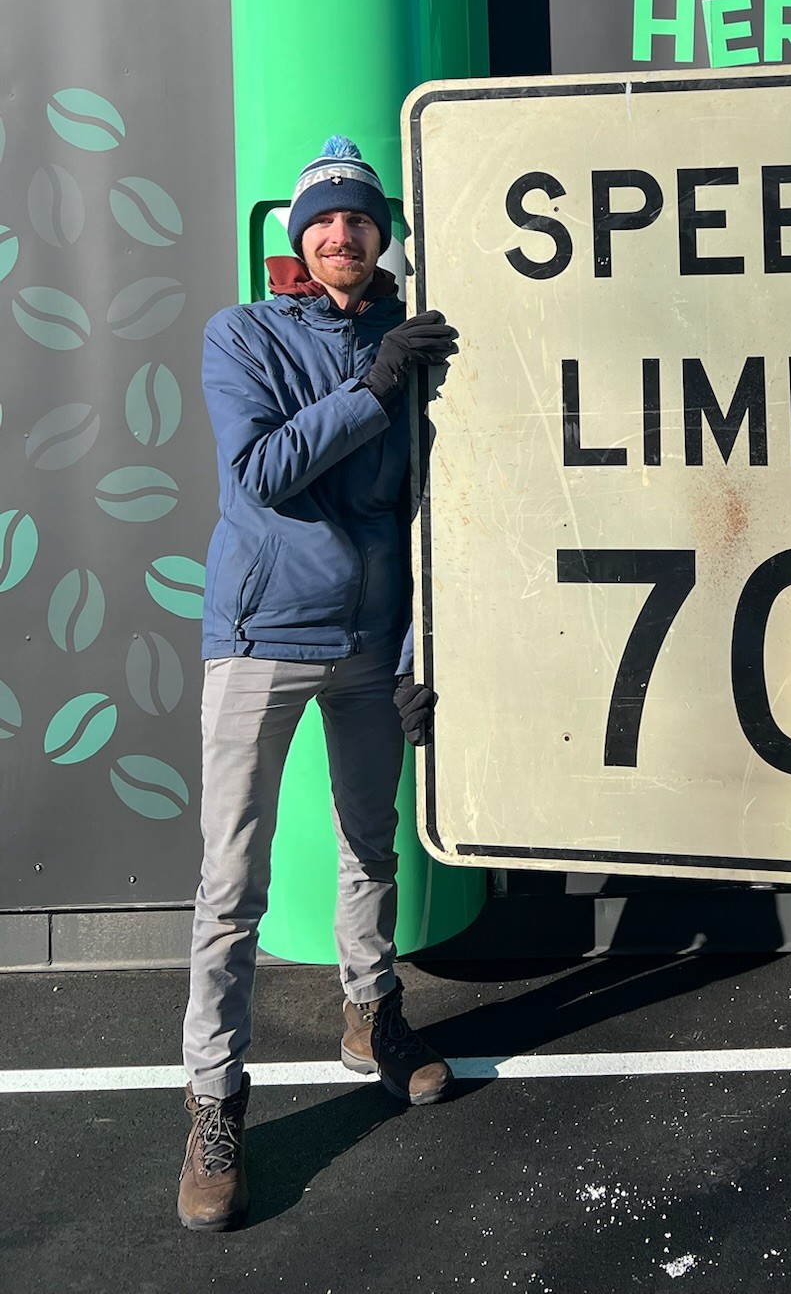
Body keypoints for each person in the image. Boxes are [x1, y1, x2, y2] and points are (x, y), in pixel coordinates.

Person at [176, 137, 459, 1234]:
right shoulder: (239, 332)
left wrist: (416, 649)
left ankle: (371, 1013)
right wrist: (374, 383)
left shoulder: (411, 335)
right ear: (297, 236)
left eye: (360, 218)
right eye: (323, 221)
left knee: (369, 843)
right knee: (232, 884)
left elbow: (422, 508)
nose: (342, 235)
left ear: (383, 232)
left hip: (369, 638)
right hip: (259, 637)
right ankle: (213, 1097)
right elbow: (259, 471)